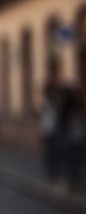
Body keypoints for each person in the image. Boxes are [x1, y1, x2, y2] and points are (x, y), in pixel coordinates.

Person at [41, 57, 85, 194]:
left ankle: (72, 183)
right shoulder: (68, 108)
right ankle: (72, 182)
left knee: (70, 161)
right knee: (72, 161)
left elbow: (63, 123)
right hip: (71, 137)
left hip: (68, 137)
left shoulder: (65, 109)